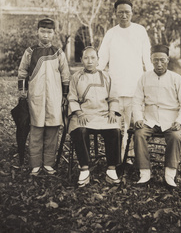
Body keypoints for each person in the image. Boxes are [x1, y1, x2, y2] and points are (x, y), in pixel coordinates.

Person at [98, 0, 153, 161]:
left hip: (135, 87)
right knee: (117, 126)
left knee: (133, 125)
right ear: (115, 13)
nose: (124, 15)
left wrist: (150, 81)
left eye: (127, 12)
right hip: (115, 88)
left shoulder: (140, 31)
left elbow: (147, 59)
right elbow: (101, 60)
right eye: (120, 12)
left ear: (132, 13)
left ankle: (129, 157)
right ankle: (116, 159)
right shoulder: (111, 33)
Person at [132, 44, 181, 188]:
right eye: (155, 60)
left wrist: (180, 121)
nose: (159, 64)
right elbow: (136, 100)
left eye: (162, 60)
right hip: (149, 119)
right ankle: (144, 172)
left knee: (175, 136)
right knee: (139, 134)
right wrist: (138, 118)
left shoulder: (176, 78)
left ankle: (169, 174)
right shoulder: (144, 78)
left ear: (168, 60)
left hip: (170, 121)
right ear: (151, 60)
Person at [18, 18, 70, 176]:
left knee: (52, 131)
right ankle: (35, 164)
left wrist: (65, 95)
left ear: (54, 33)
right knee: (36, 131)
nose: (45, 35)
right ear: (37, 32)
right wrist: (22, 92)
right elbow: (22, 72)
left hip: (54, 98)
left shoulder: (58, 53)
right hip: (36, 98)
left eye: (49, 32)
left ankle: (48, 163)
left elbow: (65, 75)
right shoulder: (30, 52)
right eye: (42, 31)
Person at [68, 46, 121, 187]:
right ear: (81, 60)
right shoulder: (75, 77)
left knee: (114, 130)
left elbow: (114, 97)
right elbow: (72, 98)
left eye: (93, 58)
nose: (89, 61)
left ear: (98, 60)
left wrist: (112, 111)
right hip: (84, 114)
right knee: (80, 130)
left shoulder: (106, 76)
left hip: (103, 115)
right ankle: (84, 170)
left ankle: (111, 170)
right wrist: (79, 112)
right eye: (86, 58)